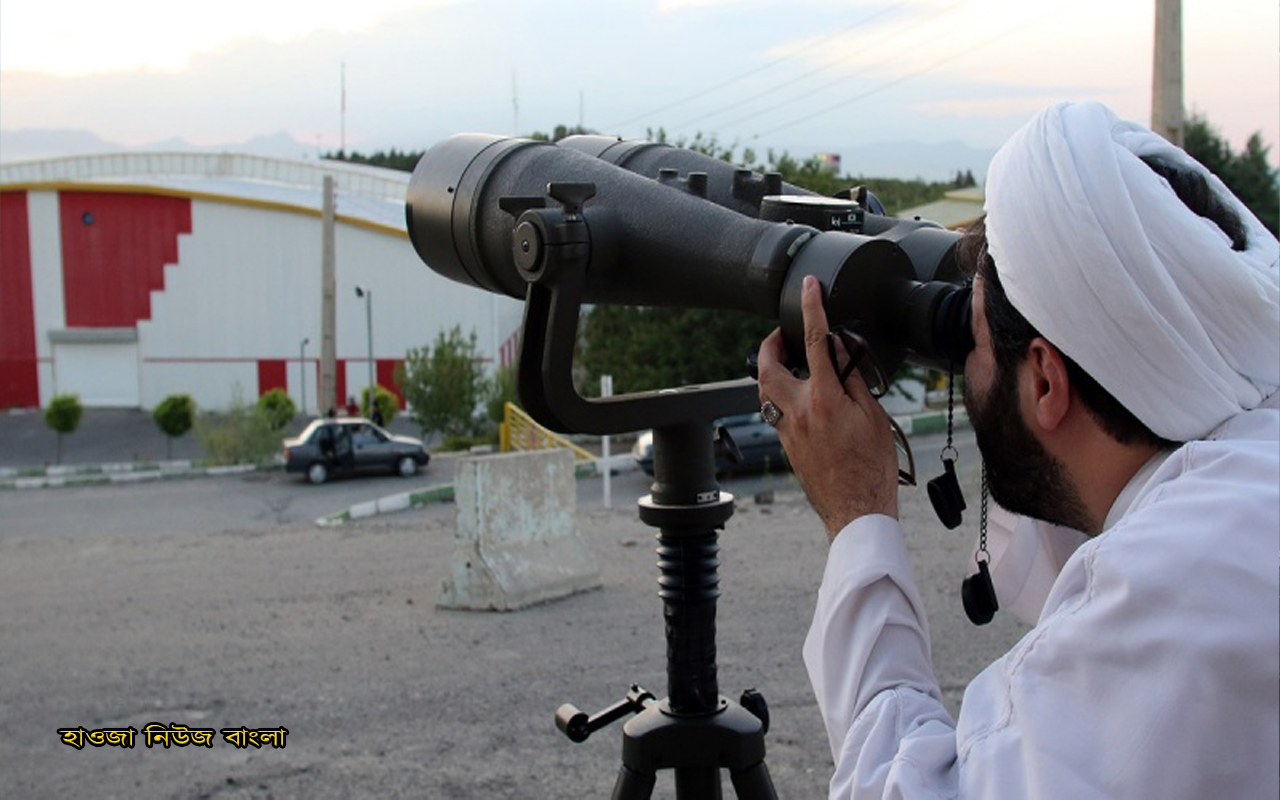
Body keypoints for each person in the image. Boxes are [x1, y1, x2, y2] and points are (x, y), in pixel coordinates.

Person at [755, 102, 1279, 798]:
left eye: (970, 340)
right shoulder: (1242, 476)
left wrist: (857, 514)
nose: (963, 368)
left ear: (1044, 379)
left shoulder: (1173, 593)